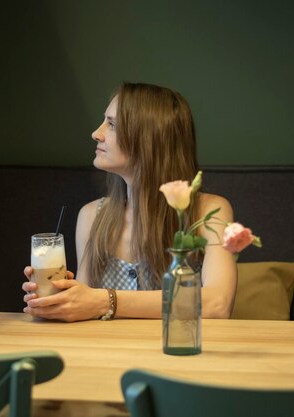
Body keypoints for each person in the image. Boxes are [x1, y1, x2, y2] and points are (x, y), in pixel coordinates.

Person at [22, 83, 237, 322]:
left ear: (149, 139)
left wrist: (106, 300)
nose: (96, 133)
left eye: (111, 125)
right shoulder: (92, 216)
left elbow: (217, 304)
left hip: (178, 355)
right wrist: (56, 302)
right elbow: (83, 311)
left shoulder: (210, 211)